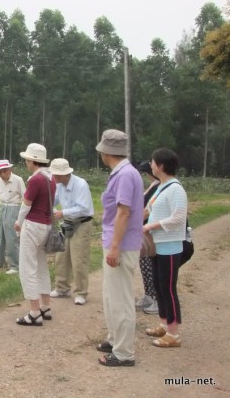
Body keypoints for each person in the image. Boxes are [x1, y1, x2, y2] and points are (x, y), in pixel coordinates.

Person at [95, 129, 144, 367]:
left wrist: (115, 247)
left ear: (106, 152)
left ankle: (124, 353)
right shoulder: (123, 172)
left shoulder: (125, 174)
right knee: (110, 296)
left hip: (121, 245)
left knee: (121, 299)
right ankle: (114, 338)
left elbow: (124, 212)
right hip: (116, 242)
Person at [143, 148, 188, 348]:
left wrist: (152, 225)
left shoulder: (176, 189)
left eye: (153, 162)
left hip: (169, 246)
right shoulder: (162, 186)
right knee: (159, 286)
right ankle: (164, 323)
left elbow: (178, 218)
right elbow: (150, 211)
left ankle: (174, 334)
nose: (151, 165)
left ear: (161, 166)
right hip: (157, 244)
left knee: (168, 288)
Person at [13, 143, 55, 326]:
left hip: (32, 225)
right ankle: (46, 306)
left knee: (27, 267)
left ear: (33, 161)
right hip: (46, 225)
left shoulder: (35, 180)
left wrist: (18, 222)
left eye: (27, 160)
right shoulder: (51, 179)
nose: (26, 163)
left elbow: (26, 204)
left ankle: (34, 311)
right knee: (41, 266)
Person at [49, 158, 94, 306]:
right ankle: (62, 287)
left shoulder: (81, 184)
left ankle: (81, 292)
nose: (53, 177)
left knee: (79, 258)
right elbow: (53, 200)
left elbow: (84, 208)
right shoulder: (59, 185)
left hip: (82, 223)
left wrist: (62, 213)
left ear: (63, 174)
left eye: (55, 174)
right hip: (67, 222)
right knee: (61, 256)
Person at [0, 159, 26, 275]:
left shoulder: (18, 180)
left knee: (11, 237)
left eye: (4, 171)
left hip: (14, 208)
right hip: (2, 208)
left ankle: (15, 265)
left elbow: (25, 197)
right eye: (0, 172)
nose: (3, 174)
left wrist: (21, 216)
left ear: (9, 170)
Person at [136, 160, 160, 315]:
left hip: (151, 230)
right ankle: (149, 294)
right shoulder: (154, 186)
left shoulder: (158, 186)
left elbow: (148, 210)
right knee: (145, 262)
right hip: (145, 230)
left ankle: (157, 298)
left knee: (154, 265)